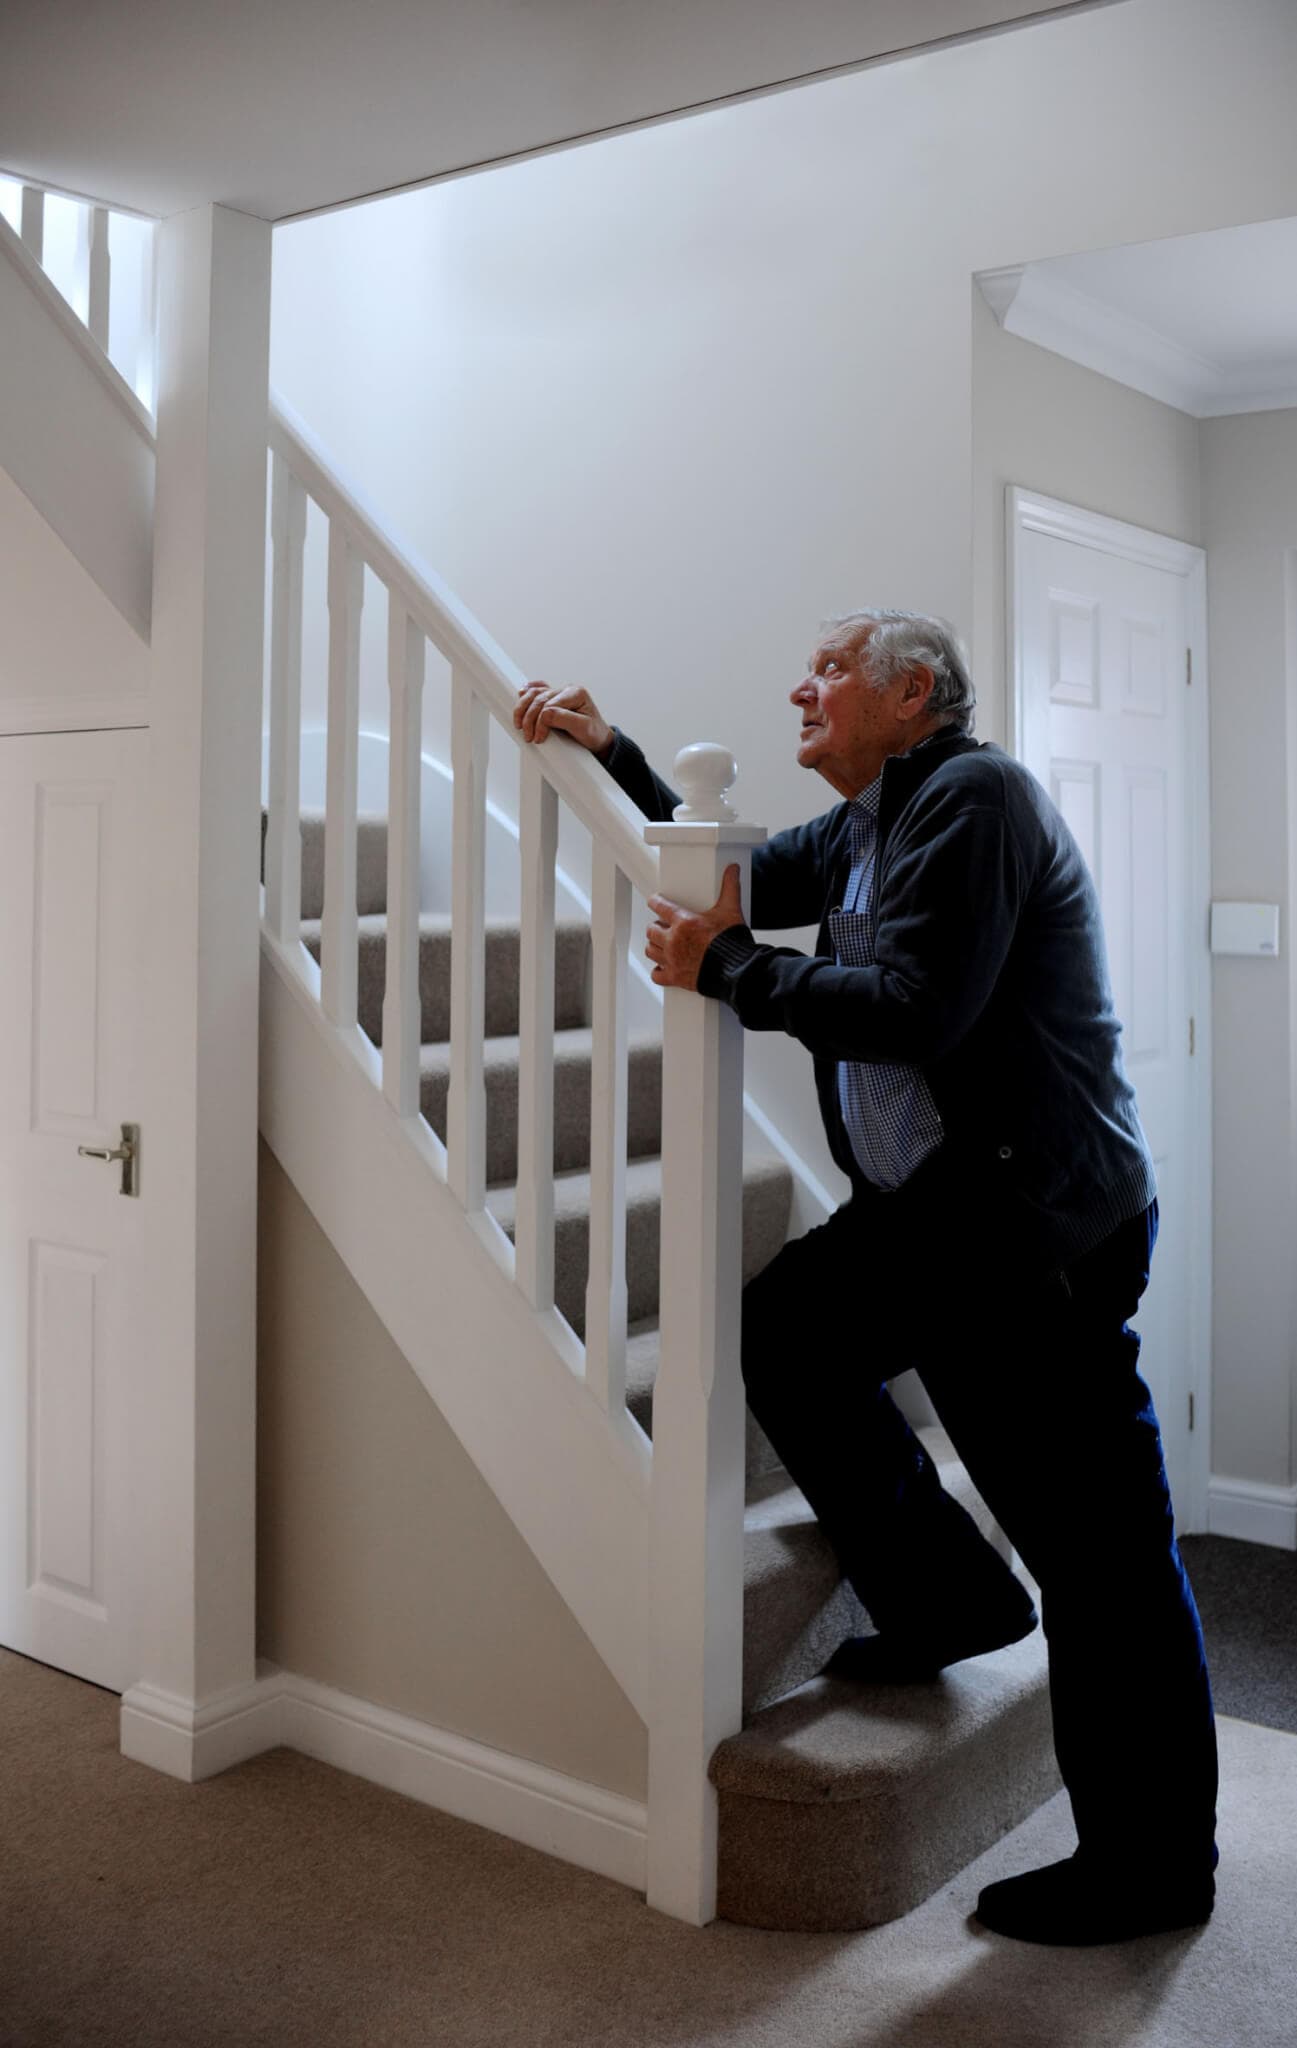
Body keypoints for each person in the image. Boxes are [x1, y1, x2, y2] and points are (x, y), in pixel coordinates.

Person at [513, 610, 1218, 1947]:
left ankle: (1148, 1865)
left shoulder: (974, 797)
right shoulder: (865, 824)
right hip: (941, 1216)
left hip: (1030, 1225)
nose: (801, 684)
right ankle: (949, 1593)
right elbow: (727, 866)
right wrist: (614, 754)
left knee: (1101, 1552)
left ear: (914, 693)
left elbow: (916, 1004)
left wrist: (728, 973)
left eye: (830, 668)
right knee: (787, 1331)